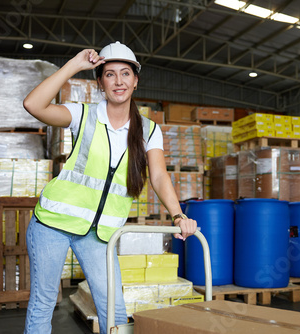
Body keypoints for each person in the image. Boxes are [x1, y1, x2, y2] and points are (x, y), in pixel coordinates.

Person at [22, 41, 197, 334]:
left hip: (99, 234)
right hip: (53, 223)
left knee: (114, 310)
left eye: (125, 73)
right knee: (43, 303)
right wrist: (75, 65)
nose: (119, 81)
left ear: (136, 80)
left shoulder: (149, 130)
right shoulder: (83, 115)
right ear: (100, 82)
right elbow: (33, 105)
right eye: (110, 74)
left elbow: (158, 176)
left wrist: (178, 216)